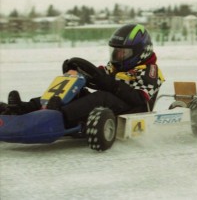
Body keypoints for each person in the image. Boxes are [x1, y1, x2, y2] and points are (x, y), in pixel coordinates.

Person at [0, 24, 165, 129]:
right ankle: (23, 108)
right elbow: (98, 74)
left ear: (140, 52)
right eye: (115, 51)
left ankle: (60, 116)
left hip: (133, 110)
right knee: (77, 91)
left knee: (102, 97)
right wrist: (76, 72)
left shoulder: (150, 70)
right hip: (113, 103)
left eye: (122, 53)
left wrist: (109, 84)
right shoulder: (115, 66)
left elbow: (139, 99)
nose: (117, 56)